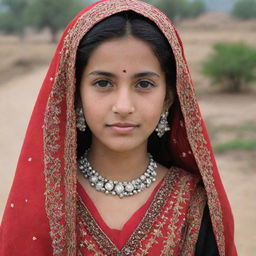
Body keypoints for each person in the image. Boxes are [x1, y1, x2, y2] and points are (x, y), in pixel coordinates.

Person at [0, 0, 237, 255]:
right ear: (76, 94)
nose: (123, 106)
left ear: (168, 97)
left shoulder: (194, 203)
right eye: (103, 83)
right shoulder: (45, 202)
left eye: (144, 84)